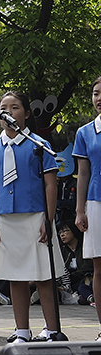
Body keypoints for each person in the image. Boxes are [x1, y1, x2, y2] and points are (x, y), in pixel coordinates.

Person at [0, 91, 62, 342]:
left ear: (26, 113)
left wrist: (47, 220)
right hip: (6, 220)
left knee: (43, 277)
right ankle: (22, 330)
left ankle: (52, 329)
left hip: (35, 217)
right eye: (3, 108)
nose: (8, 112)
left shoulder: (39, 145)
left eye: (14, 107)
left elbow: (51, 185)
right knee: (16, 278)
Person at [70, 74, 101, 335]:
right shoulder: (85, 132)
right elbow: (84, 174)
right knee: (99, 267)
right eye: (95, 93)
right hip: (96, 203)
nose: (99, 98)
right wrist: (80, 210)